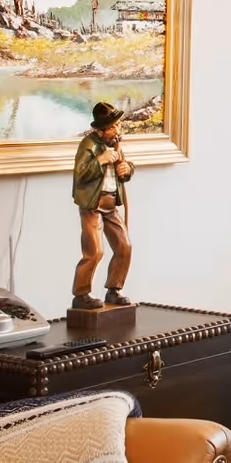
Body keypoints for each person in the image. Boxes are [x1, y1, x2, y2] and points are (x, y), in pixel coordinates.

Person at [70, 102, 134, 309]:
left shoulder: (115, 144)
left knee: (124, 245)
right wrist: (101, 159)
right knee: (94, 251)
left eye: (118, 125)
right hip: (92, 204)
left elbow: (123, 168)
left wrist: (127, 169)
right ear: (100, 129)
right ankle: (81, 294)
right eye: (113, 126)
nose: (117, 130)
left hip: (110, 203)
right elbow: (81, 174)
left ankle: (114, 289)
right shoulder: (88, 145)